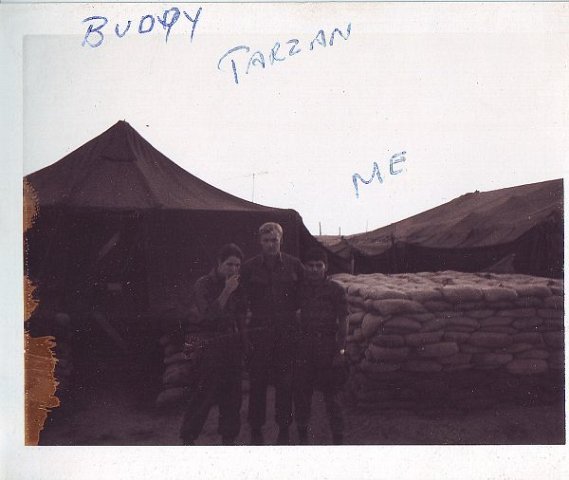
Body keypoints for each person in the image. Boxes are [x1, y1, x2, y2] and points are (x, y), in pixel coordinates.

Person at [240, 222, 304, 445]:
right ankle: (256, 429)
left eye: (274, 240)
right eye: (266, 240)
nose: (270, 244)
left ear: (281, 240)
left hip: (286, 334)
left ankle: (284, 428)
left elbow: (304, 297)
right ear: (260, 242)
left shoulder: (294, 265)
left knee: (285, 383)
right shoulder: (249, 268)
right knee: (257, 382)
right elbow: (241, 303)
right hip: (259, 334)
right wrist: (245, 334)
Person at [179, 243, 247, 446]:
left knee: (233, 396)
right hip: (207, 344)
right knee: (203, 394)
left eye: (237, 265)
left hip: (231, 344)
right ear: (219, 263)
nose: (234, 269)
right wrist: (226, 291)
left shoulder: (238, 285)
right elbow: (208, 316)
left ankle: (228, 438)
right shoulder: (204, 284)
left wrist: (243, 342)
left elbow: (240, 316)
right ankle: (188, 438)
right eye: (229, 264)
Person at [294, 247, 348, 445]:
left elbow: (344, 321)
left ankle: (338, 440)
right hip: (304, 347)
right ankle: (303, 438)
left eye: (319, 265)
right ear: (305, 267)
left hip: (328, 346)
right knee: (302, 396)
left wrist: (341, 350)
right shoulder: (299, 289)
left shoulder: (336, 290)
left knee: (332, 398)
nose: (315, 269)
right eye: (310, 265)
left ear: (326, 267)